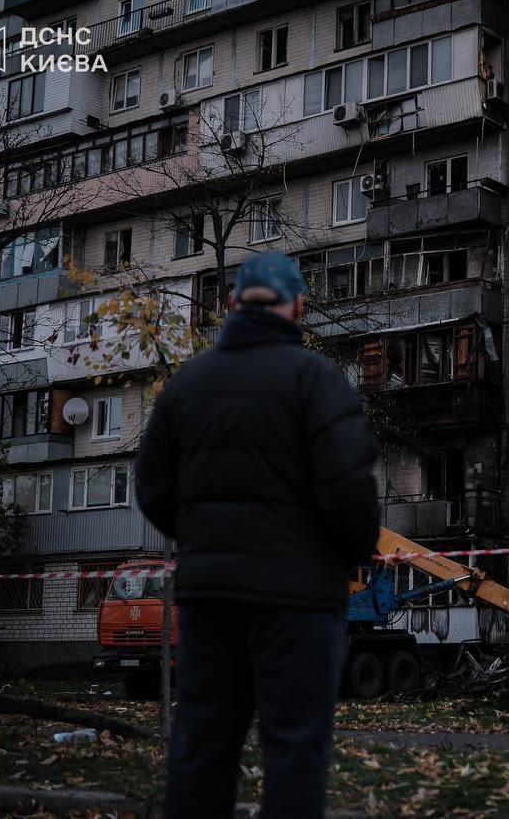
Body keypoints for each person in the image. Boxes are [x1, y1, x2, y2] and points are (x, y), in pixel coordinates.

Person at [135, 252, 379, 819]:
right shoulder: (318, 381)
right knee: (295, 750)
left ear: (231, 306)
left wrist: (204, 542)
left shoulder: (187, 385)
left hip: (211, 599)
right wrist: (342, 560)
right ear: (298, 306)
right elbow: (349, 492)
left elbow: (151, 487)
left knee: (202, 747)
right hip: (299, 602)